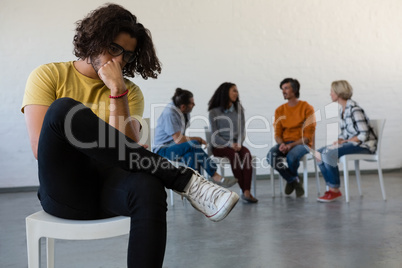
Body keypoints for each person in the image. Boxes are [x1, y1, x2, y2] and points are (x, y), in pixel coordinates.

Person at [21, 4, 239, 267]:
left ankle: (178, 181)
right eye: (114, 49)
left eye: (127, 55)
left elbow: (121, 152)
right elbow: (38, 148)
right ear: (95, 38)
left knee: (149, 186)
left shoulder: (129, 91)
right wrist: (120, 148)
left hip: (108, 191)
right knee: (63, 110)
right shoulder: (49, 75)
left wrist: (116, 88)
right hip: (65, 192)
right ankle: (183, 180)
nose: (119, 61)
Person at [153, 88, 237, 188]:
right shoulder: (170, 113)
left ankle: (197, 187)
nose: (194, 105)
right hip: (163, 150)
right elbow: (179, 139)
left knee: (191, 156)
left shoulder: (184, 112)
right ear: (183, 106)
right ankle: (215, 176)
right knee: (194, 144)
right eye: (192, 103)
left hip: (176, 147)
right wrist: (198, 139)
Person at [316, 80, 377, 202]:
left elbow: (364, 134)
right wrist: (340, 140)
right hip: (352, 143)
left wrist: (346, 141)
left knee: (328, 154)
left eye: (332, 91)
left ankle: (334, 190)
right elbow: (346, 132)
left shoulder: (355, 109)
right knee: (319, 153)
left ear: (339, 93)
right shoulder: (343, 110)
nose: (330, 94)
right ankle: (330, 187)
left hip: (364, 146)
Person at [208, 82, 258, 203]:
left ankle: (246, 192)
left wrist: (239, 143)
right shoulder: (214, 112)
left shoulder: (239, 109)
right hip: (220, 146)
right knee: (234, 156)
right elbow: (215, 136)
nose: (237, 93)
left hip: (237, 144)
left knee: (246, 155)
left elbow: (242, 130)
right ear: (225, 93)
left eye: (237, 91)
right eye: (234, 90)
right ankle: (245, 191)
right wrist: (230, 144)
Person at [267, 78, 316, 197]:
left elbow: (308, 137)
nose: (283, 91)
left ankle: (291, 179)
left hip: (302, 144)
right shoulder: (280, 110)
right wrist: (282, 144)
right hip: (285, 143)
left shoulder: (307, 108)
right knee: (271, 156)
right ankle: (293, 179)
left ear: (294, 90)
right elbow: (277, 133)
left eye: (286, 88)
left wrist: (291, 145)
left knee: (292, 156)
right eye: (282, 89)